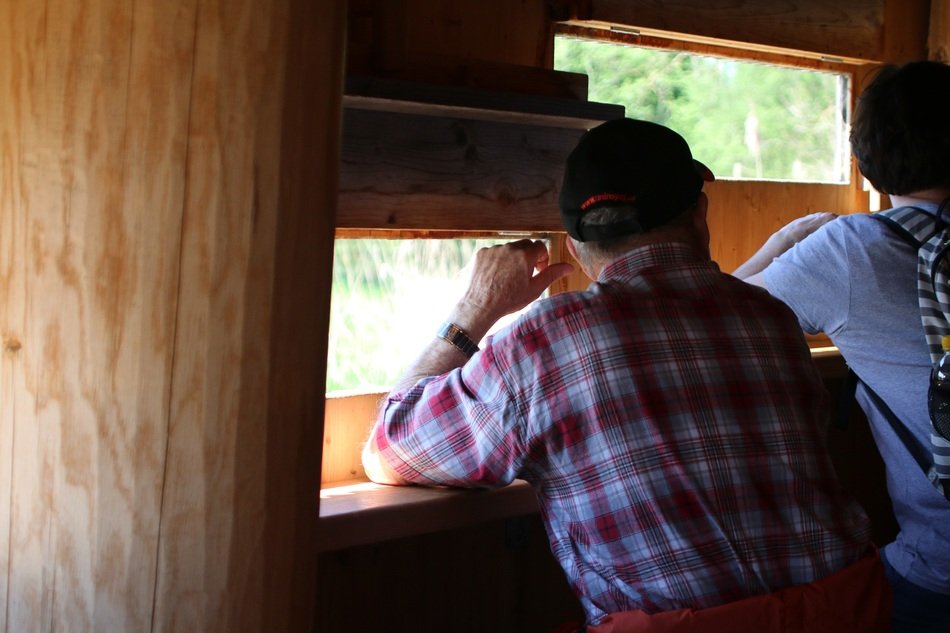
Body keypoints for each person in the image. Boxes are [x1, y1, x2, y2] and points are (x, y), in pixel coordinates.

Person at [363, 118, 888, 632]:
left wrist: (476, 308)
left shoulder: (545, 341)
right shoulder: (769, 318)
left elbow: (388, 449)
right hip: (848, 612)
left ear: (575, 247)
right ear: (699, 212)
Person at [733, 60, 950, 633]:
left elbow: (714, 312)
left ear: (868, 158)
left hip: (939, 575)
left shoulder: (850, 250)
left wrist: (781, 244)